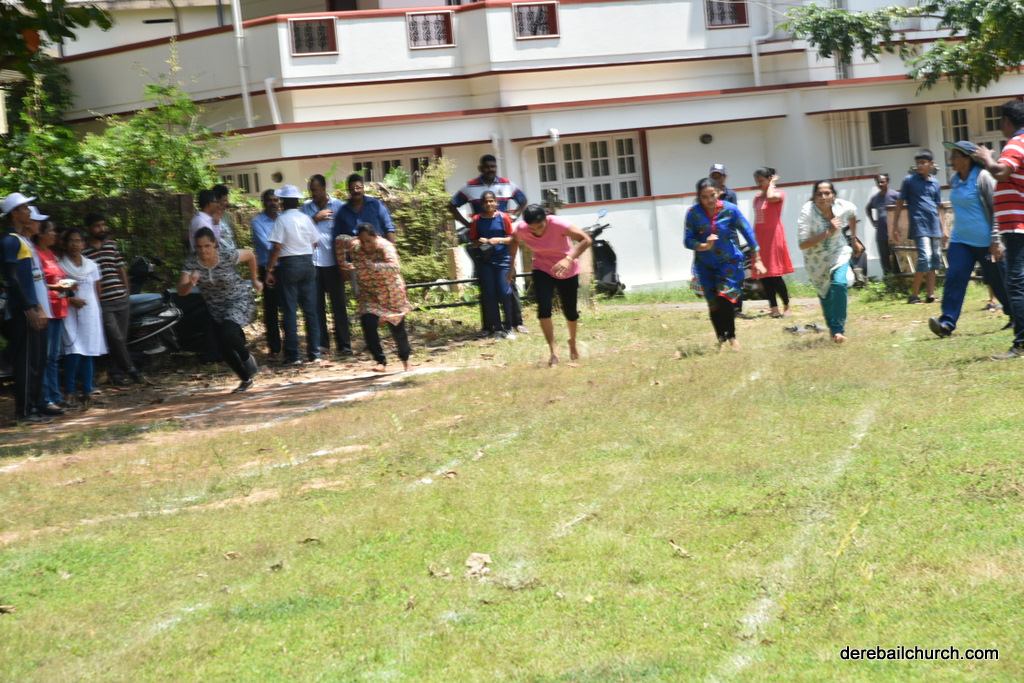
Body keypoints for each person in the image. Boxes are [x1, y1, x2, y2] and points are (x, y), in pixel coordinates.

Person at [927, 141, 1009, 339]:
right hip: (960, 240)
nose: (950, 159)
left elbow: (996, 209)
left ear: (967, 159)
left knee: (999, 281)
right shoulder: (955, 179)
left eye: (955, 156)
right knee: (954, 276)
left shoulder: (983, 177)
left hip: (986, 242)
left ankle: (1016, 316)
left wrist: (996, 240)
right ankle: (947, 323)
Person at [449, 154, 530, 334]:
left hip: (503, 242)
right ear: (480, 168)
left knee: (509, 284)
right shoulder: (469, 186)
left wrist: (514, 217)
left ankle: (516, 322)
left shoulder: (507, 184)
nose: (490, 169)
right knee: (486, 287)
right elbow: (453, 204)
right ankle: (489, 326)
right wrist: (468, 224)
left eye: (493, 166)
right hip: (481, 243)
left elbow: (523, 200)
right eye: (486, 166)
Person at [684, 179, 765, 349]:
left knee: (725, 297)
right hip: (704, 265)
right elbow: (688, 240)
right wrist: (704, 245)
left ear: (719, 192)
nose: (709, 200)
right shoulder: (693, 213)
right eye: (704, 197)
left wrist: (757, 258)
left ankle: (732, 337)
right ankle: (722, 340)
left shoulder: (730, 209)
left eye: (712, 195)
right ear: (699, 197)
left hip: (728, 262)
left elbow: (747, 231)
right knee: (713, 303)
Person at [179, 227, 262, 392]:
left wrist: (254, 280)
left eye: (207, 246)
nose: (203, 251)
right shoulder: (192, 262)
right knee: (222, 345)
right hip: (215, 307)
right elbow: (182, 291)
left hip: (238, 299)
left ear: (215, 244)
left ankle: (247, 358)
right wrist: (191, 283)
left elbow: (250, 255)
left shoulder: (226, 255)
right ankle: (245, 379)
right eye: (199, 247)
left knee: (228, 333)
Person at [508, 204, 593, 365]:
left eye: (540, 227)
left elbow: (586, 239)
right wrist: (511, 266)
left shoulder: (559, 224)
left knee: (570, 311)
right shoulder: (522, 228)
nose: (537, 232)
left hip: (567, 269)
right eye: (533, 229)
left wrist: (568, 259)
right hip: (542, 267)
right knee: (544, 308)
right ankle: (553, 351)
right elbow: (514, 241)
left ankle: (572, 342)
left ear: (546, 220)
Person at [974, 99, 1024, 359]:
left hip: (1017, 226)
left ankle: (1021, 343)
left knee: (1015, 283)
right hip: (1017, 224)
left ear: (1007, 121)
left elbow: (1001, 172)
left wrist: (987, 158)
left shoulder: (1015, 143)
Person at [1, 194, 56, 424]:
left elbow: (30, 280)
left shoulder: (22, 241)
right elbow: (12, 278)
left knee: (36, 360)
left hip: (31, 307)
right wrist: (28, 308)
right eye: (24, 208)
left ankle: (35, 405)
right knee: (25, 362)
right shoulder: (10, 241)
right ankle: (24, 411)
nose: (28, 212)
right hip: (21, 310)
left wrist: (38, 306)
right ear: (14, 213)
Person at [335, 223, 413, 372]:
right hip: (370, 294)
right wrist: (342, 262)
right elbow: (339, 240)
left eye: (369, 241)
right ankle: (380, 361)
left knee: (398, 329)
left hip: (391, 293)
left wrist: (376, 266)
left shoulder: (385, 246)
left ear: (375, 237)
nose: (365, 245)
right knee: (368, 323)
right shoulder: (355, 245)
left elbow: (396, 267)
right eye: (362, 241)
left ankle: (406, 360)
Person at [82, 212, 144, 385]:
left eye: (103, 225)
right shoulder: (84, 251)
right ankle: (131, 369)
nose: (102, 228)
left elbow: (121, 268)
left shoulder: (111, 245)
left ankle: (116, 374)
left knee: (120, 340)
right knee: (115, 337)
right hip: (104, 302)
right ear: (88, 228)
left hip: (121, 298)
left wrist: (127, 291)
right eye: (97, 226)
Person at [265, 185, 321, 365]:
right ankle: (315, 352)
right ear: (297, 202)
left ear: (282, 202)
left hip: (289, 264)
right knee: (310, 310)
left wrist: (269, 270)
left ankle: (293, 355)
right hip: (308, 262)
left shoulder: (281, 220)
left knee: (290, 310)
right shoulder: (306, 218)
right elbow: (315, 242)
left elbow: (276, 247)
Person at [798, 180, 857, 343]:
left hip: (838, 251)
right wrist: (829, 231)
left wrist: (854, 238)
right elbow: (802, 243)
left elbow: (852, 214)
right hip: (815, 258)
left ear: (833, 195)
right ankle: (833, 329)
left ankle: (838, 329)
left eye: (827, 193)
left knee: (839, 283)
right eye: (819, 194)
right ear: (814, 197)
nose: (823, 197)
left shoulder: (842, 206)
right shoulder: (807, 212)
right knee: (825, 294)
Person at [892, 149, 949, 304]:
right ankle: (914, 296)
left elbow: (938, 207)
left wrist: (944, 229)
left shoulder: (935, 183)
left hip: (934, 226)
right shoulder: (909, 180)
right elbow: (899, 203)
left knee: (935, 259)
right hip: (919, 225)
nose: (920, 165)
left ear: (931, 164)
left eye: (923, 162)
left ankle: (930, 295)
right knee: (925, 258)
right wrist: (895, 227)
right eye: (918, 163)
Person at [59, 227, 107, 409]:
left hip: (90, 313)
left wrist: (93, 308)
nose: (75, 244)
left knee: (89, 352)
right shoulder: (61, 266)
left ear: (83, 244)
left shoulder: (92, 266)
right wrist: (71, 300)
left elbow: (97, 291)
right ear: (65, 244)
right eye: (71, 241)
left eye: (78, 241)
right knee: (73, 352)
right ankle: (69, 393)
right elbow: (58, 291)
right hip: (70, 314)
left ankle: (88, 392)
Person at [303, 174, 351, 357]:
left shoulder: (339, 206)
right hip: (313, 264)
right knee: (317, 306)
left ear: (324, 189)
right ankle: (323, 345)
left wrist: (345, 262)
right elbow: (300, 231)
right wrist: (314, 219)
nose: (312, 193)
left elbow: (346, 235)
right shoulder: (306, 208)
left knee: (338, 305)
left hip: (334, 263)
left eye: (315, 190)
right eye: (311, 190)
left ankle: (344, 345)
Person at [32, 217, 72, 413]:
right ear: (40, 234)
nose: (55, 234)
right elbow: (36, 282)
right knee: (47, 357)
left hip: (59, 309)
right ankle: (46, 398)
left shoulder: (51, 253)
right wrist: (55, 287)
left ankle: (55, 396)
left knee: (54, 357)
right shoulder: (36, 254)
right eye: (51, 231)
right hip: (47, 310)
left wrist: (66, 285)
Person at [469, 191, 516, 338]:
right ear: (482, 204)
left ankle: (509, 326)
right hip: (485, 261)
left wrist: (499, 240)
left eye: (491, 201)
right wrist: (479, 241)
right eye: (486, 202)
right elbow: (472, 242)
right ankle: (498, 328)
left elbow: (513, 239)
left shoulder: (504, 217)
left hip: (502, 259)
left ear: (496, 202)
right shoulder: (477, 219)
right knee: (490, 294)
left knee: (505, 292)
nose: (489, 204)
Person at [751, 167, 794, 318]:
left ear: (770, 179)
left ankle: (787, 306)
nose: (759, 184)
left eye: (762, 181)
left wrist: (772, 184)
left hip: (774, 237)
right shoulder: (757, 197)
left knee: (775, 275)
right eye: (757, 181)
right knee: (764, 275)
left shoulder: (779, 194)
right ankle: (773, 308)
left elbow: (770, 197)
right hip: (760, 238)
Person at [251, 188, 283, 361]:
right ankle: (274, 349)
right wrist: (284, 248)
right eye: (270, 200)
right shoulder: (257, 222)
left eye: (276, 200)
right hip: (268, 269)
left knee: (288, 307)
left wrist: (281, 248)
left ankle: (291, 348)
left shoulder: (283, 219)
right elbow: (267, 246)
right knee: (271, 311)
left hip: (285, 268)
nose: (273, 203)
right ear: (264, 202)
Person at [332, 173, 396, 242]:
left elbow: (389, 228)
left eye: (358, 188)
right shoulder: (343, 211)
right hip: (352, 248)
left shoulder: (376, 205)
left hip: (376, 247)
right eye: (352, 188)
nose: (355, 191)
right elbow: (336, 236)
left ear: (363, 188)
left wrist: (390, 247)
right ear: (349, 190)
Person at [865, 173, 899, 278]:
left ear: (888, 182)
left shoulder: (895, 195)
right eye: (878, 182)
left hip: (894, 233)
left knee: (897, 257)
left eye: (882, 182)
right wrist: (872, 221)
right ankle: (888, 280)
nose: (880, 184)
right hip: (881, 234)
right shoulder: (875, 197)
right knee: (884, 259)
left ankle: (899, 279)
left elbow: (904, 208)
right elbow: (868, 208)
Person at [212, 184, 237, 249]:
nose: (228, 203)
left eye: (227, 200)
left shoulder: (226, 215)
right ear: (216, 201)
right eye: (225, 200)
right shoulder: (208, 218)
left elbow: (233, 236)